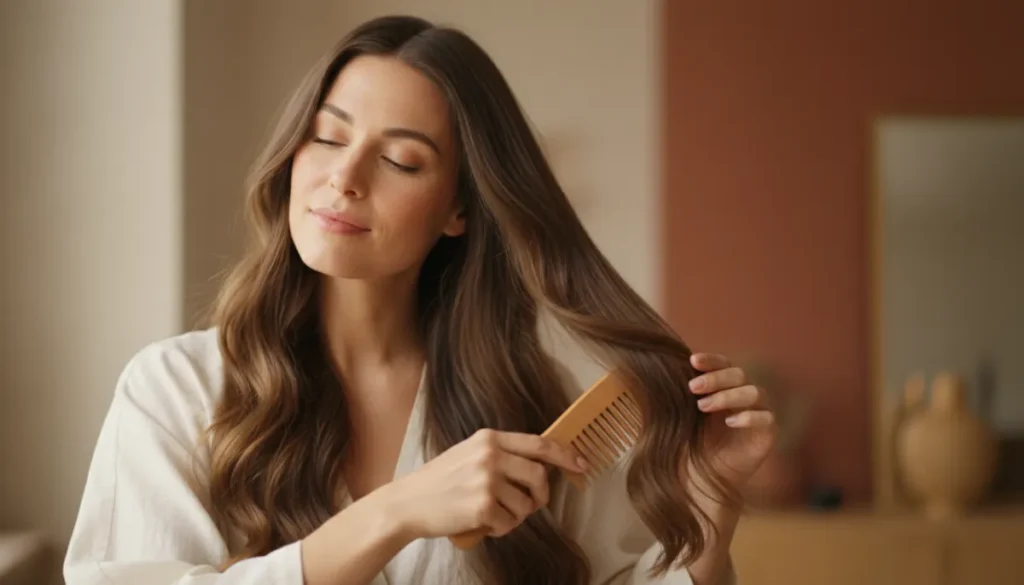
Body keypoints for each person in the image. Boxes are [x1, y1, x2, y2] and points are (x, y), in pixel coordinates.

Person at [64, 15, 777, 585]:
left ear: (457, 210)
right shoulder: (177, 392)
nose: (344, 176)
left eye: (401, 159)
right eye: (327, 136)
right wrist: (397, 512)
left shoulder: (528, 408)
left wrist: (714, 502)